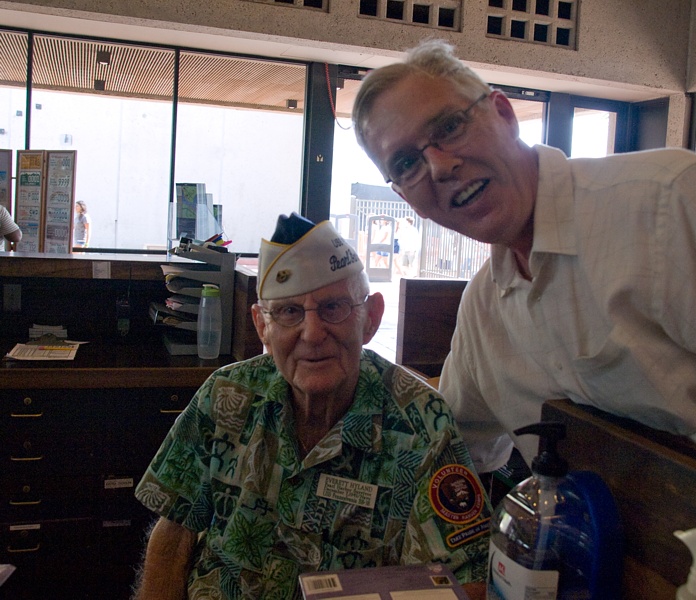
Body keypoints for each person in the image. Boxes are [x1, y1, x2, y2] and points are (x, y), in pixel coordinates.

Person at [352, 39, 696, 485]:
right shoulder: (484, 311)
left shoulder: (674, 203)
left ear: (505, 115)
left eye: (450, 126)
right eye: (407, 163)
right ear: (403, 197)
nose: (439, 166)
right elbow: (447, 446)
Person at [133, 213, 490, 600]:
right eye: (288, 312)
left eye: (334, 307)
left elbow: (463, 581)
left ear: (370, 319)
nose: (313, 334)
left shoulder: (424, 423)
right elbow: (174, 533)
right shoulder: (224, 396)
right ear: (262, 326)